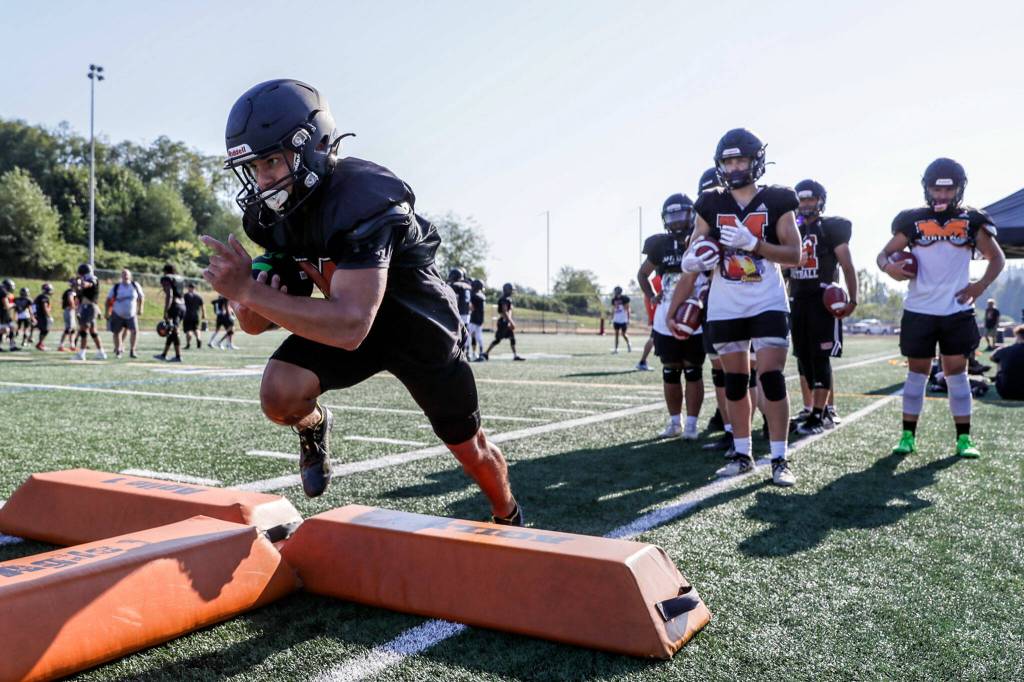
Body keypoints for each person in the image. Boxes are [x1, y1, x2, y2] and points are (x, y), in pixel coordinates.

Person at [204, 78, 522, 525]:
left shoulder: (363, 197)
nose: (263, 179)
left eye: (272, 161)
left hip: (415, 325)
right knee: (279, 395)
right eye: (255, 167)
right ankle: (314, 425)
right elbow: (254, 324)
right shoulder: (269, 215)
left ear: (310, 146)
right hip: (342, 316)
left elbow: (353, 325)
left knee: (471, 451)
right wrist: (250, 298)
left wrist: (248, 291)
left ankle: (507, 513)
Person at [669, 128, 802, 486]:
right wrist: (693, 259)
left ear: (756, 160)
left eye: (740, 159)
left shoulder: (777, 199)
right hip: (726, 304)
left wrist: (755, 244)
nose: (734, 166)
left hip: (766, 299)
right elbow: (695, 248)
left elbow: (794, 255)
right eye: (728, 160)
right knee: (735, 382)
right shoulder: (710, 202)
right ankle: (743, 454)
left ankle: (779, 458)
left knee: (771, 378)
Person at [877, 157, 1005, 459]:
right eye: (936, 189)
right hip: (919, 309)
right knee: (916, 374)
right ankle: (908, 436)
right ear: (927, 189)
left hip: (956, 310)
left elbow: (996, 258)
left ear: (959, 189)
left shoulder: (972, 220)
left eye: (948, 190)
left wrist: (979, 286)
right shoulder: (912, 220)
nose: (942, 196)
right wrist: (888, 269)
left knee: (956, 374)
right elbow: (884, 254)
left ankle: (963, 439)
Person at [787, 179, 858, 436]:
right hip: (798, 300)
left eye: (810, 199)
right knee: (803, 359)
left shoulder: (831, 228)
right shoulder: (789, 230)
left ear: (820, 201)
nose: (805, 205)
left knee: (820, 358)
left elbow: (848, 266)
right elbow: (784, 271)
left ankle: (821, 414)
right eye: (801, 200)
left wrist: (853, 299)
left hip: (822, 301)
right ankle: (815, 410)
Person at [638, 193, 707, 440]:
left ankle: (691, 424)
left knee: (693, 371)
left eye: (681, 215)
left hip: (693, 316)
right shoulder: (659, 245)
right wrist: (652, 295)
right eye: (672, 216)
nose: (676, 221)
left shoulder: (702, 240)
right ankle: (675, 422)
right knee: (670, 371)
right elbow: (642, 274)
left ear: (691, 215)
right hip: (666, 316)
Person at [106, 268, 144, 359]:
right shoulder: (117, 287)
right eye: (123, 274)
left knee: (134, 331)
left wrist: (140, 308)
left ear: (130, 276)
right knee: (117, 332)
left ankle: (132, 350)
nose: (125, 276)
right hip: (118, 313)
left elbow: (141, 297)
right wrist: (107, 311)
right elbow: (108, 299)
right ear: (121, 276)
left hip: (131, 314)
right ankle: (118, 350)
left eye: (127, 274)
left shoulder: (135, 285)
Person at [482, 283, 525, 361]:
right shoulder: (504, 299)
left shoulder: (508, 299)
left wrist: (510, 320)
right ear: (507, 290)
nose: (512, 291)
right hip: (503, 322)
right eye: (511, 289)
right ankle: (486, 353)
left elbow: (509, 311)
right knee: (498, 339)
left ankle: (515, 355)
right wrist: (511, 322)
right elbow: (505, 312)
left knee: (512, 338)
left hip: (506, 321)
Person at [74, 264, 107, 361]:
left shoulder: (92, 279)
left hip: (89, 307)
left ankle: (82, 353)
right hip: (88, 307)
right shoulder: (88, 279)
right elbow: (80, 291)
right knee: (93, 332)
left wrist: (80, 283)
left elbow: (88, 284)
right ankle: (101, 352)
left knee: (84, 330)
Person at [155, 264, 186, 362]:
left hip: (175, 306)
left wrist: (166, 310)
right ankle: (164, 354)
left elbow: (170, 295)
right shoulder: (180, 278)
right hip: (183, 306)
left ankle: (178, 356)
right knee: (172, 330)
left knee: (174, 331)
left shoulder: (166, 278)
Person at [992, 325, 1024, 399]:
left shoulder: (1006, 350)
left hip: (1006, 392)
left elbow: (992, 357)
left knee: (999, 361)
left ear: (1017, 336)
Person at [635, 273, 659, 371]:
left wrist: (651, 316)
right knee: (653, 338)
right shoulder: (662, 280)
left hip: (657, 316)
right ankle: (642, 361)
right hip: (662, 316)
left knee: (653, 338)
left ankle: (642, 361)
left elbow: (647, 299)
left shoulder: (652, 281)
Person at [447, 268, 472, 357]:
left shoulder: (455, 285)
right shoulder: (467, 286)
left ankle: (457, 353)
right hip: (466, 313)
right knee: (465, 332)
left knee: (455, 333)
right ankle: (467, 352)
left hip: (458, 312)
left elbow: (455, 299)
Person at [182, 282, 207, 350]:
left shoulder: (185, 296)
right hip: (196, 316)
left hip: (187, 315)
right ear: (194, 288)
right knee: (196, 329)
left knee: (188, 330)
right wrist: (204, 314)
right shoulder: (198, 297)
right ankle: (198, 338)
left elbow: (181, 304)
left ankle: (188, 344)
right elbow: (203, 306)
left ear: (188, 288)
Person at [57, 278, 78, 352]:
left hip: (69, 310)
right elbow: (70, 299)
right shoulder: (71, 292)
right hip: (69, 310)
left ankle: (72, 345)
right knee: (68, 328)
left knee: (72, 329)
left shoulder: (69, 291)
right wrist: (74, 307)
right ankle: (61, 345)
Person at [609, 286, 632, 353]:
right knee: (616, 334)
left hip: (623, 319)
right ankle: (616, 349)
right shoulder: (614, 299)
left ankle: (629, 344)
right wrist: (611, 319)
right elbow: (613, 310)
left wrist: (628, 319)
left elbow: (628, 309)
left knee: (623, 334)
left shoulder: (624, 298)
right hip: (616, 319)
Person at [468, 278, 486, 361]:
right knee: (479, 337)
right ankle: (481, 354)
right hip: (480, 319)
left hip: (473, 318)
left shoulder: (473, 295)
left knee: (467, 336)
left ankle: (468, 353)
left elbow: (471, 307)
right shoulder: (482, 295)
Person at [33, 283, 54, 350]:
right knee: (45, 330)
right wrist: (49, 316)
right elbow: (44, 307)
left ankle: (40, 343)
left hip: (38, 315)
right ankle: (40, 344)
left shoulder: (40, 296)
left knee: (43, 330)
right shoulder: (44, 297)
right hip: (42, 316)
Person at [0, 280, 15, 352]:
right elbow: (7, 306)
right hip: (3, 313)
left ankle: (12, 345)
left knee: (12, 327)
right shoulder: (3, 292)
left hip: (4, 313)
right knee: (4, 330)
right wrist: (14, 305)